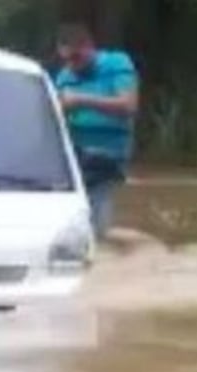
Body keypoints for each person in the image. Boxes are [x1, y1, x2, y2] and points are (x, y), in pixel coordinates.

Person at [54, 22, 139, 240]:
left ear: (89, 48)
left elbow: (128, 105)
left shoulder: (116, 63)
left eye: (76, 58)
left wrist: (81, 100)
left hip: (107, 150)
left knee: (97, 198)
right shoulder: (64, 76)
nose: (72, 65)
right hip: (74, 151)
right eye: (67, 60)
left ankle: (98, 243)